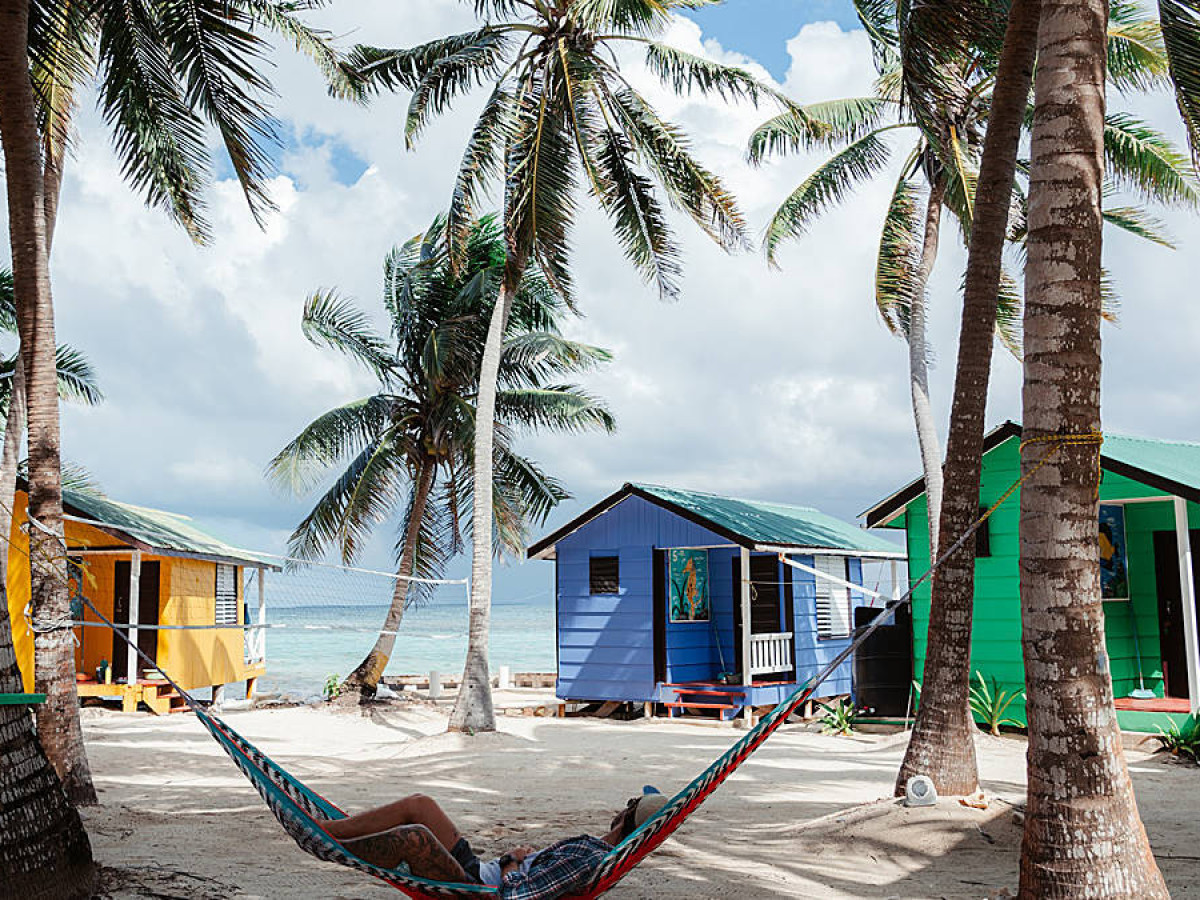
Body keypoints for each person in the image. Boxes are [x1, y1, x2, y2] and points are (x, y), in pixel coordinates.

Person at [323, 787, 670, 899]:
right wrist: (522, 858)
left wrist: (511, 861)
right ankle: (331, 831)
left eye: (630, 803)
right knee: (420, 805)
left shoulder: (591, 858)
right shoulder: (595, 849)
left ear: (628, 814)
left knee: (414, 836)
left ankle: (330, 841)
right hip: (476, 870)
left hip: (476, 888)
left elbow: (518, 896)